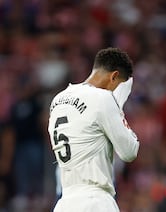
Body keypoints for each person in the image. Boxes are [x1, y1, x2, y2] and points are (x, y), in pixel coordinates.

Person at [48, 47, 140, 212]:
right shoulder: (103, 98)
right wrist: (118, 105)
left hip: (64, 202)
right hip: (95, 201)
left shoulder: (58, 99)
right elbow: (129, 152)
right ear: (114, 76)